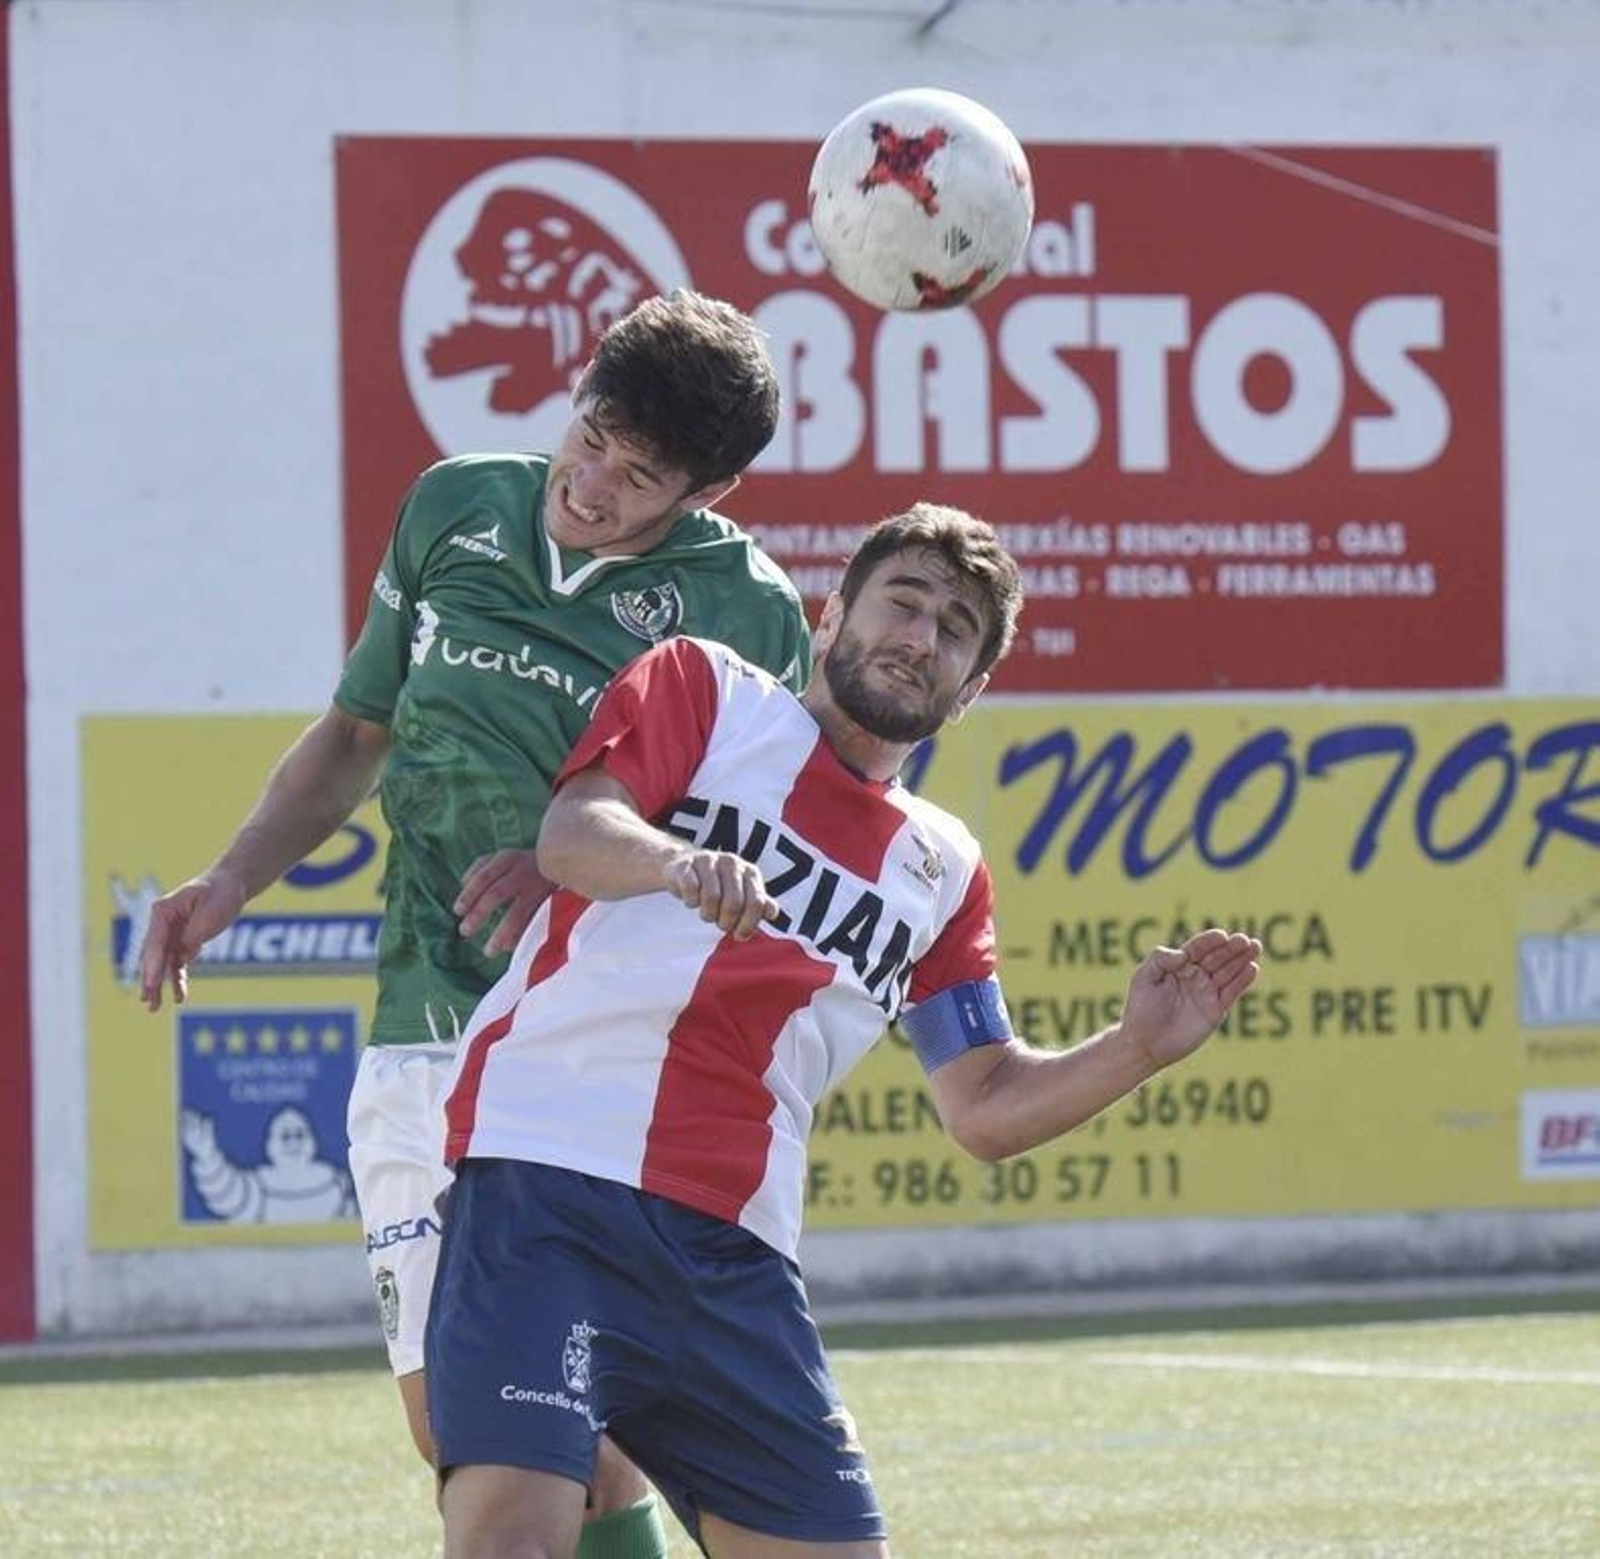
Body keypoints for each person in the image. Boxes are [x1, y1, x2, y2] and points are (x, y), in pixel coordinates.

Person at [427, 504, 1264, 1558]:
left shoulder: (944, 869)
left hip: (733, 1251)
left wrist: (1136, 1045)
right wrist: (676, 862)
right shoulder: (708, 690)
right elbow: (572, 832)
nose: (921, 637)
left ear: (970, 689)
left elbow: (984, 1106)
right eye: (901, 603)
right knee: (511, 1542)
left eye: (955, 630)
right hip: (550, 1180)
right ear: (830, 618)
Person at [137, 290, 811, 1559]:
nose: (591, 484)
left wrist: (582, 865)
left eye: (640, 474)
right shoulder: (456, 505)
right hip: (419, 1019)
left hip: (578, 1059)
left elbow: (745, 858)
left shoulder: (746, 612)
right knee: (455, 1428)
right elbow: (356, 734)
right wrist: (229, 880)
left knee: (550, 1442)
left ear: (707, 492)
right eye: (592, 435)